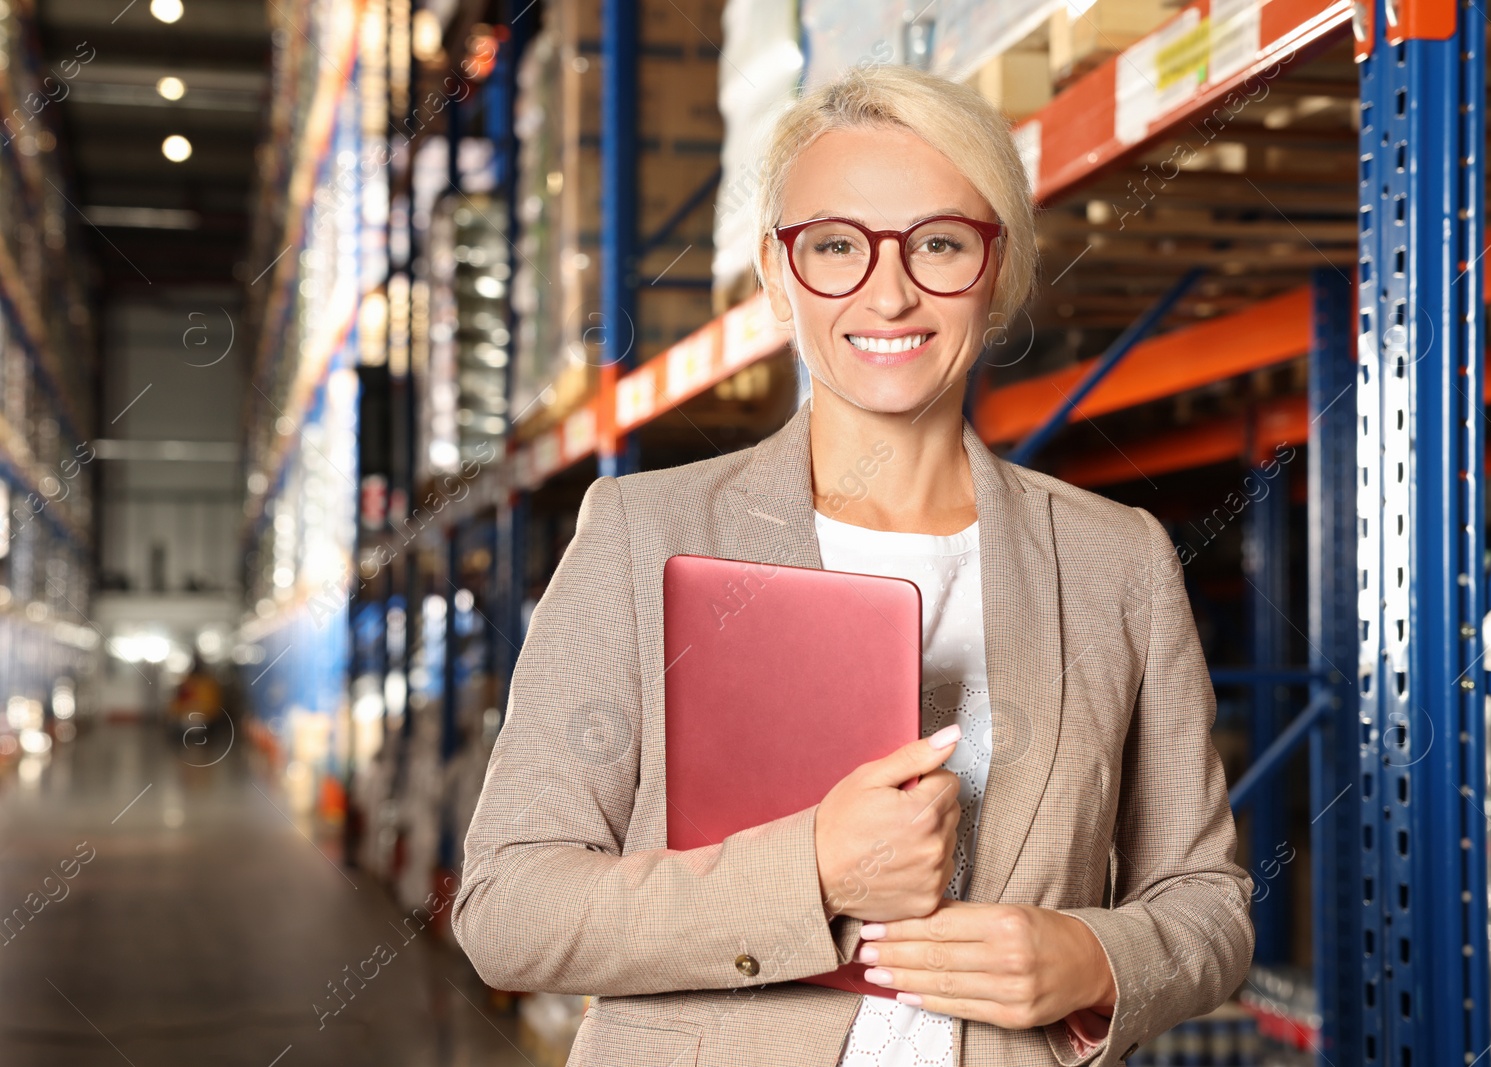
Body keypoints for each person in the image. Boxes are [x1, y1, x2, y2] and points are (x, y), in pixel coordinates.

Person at [453, 64, 1253, 1066]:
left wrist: (1097, 957)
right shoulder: (643, 532)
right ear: (777, 274)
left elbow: (1207, 900)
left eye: (940, 244)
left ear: (996, 271)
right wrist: (813, 872)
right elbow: (505, 907)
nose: (889, 290)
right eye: (835, 245)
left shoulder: (1115, 559)